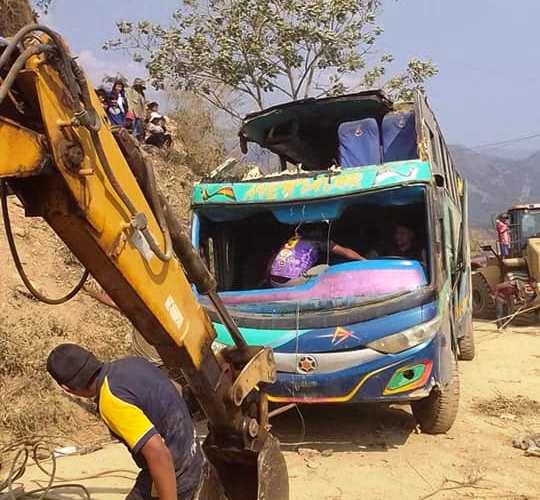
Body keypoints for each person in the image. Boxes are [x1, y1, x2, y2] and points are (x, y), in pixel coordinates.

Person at [46, 344, 225, 500]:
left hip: (179, 478)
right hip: (195, 459)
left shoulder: (111, 401)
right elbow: (175, 391)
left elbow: (158, 453)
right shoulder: (133, 363)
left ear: (66, 388)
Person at [269, 224, 364, 287]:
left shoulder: (292, 240)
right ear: (315, 231)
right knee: (325, 267)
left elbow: (273, 259)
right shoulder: (318, 241)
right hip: (289, 283)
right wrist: (363, 259)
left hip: (273, 282)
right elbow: (345, 252)